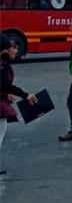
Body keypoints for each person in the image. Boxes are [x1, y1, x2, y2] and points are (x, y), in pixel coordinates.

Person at [2, 35, 38, 174]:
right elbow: (5, 84)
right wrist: (25, 95)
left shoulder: (4, 62)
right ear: (6, 49)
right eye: (14, 48)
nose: (16, 51)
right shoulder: (2, 65)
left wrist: (5, 94)